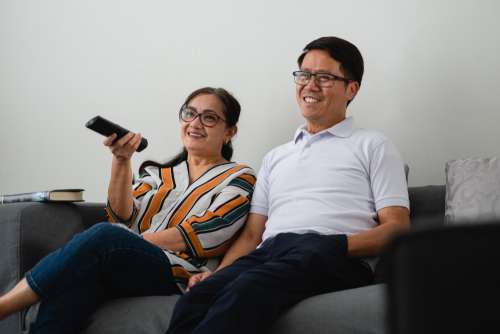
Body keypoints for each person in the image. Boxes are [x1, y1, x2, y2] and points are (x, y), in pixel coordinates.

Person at [165, 37, 411, 334]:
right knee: (195, 300)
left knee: (248, 289)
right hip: (271, 252)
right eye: (304, 75)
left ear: (351, 88)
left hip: (334, 252)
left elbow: (397, 228)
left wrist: (333, 245)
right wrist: (219, 274)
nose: (310, 84)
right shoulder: (275, 157)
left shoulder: (373, 145)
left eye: (324, 77)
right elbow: (253, 234)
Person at [0, 87, 255, 334]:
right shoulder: (158, 173)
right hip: (127, 260)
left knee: (105, 236)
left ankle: (6, 305)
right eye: (189, 113)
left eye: (209, 118)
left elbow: (211, 230)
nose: (195, 123)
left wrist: (126, 241)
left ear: (229, 131)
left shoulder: (239, 176)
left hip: (178, 271)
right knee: (72, 287)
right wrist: (121, 160)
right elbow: (122, 215)